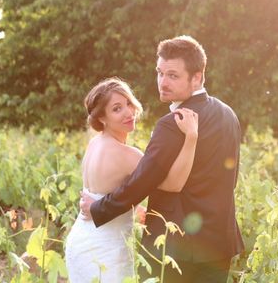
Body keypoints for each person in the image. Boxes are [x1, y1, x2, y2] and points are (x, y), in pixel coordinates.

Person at [80, 35, 244, 283]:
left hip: (173, 247)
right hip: (219, 243)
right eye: (160, 73)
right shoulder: (228, 115)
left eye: (173, 76)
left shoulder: (171, 124)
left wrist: (98, 208)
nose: (162, 82)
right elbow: (230, 179)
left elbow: (141, 182)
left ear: (197, 77)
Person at [65, 77, 198, 283]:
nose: (128, 112)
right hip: (104, 249)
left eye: (128, 103)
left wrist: (134, 208)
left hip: (80, 241)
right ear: (102, 119)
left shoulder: (95, 143)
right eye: (117, 109)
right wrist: (191, 138)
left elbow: (110, 189)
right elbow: (173, 184)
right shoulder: (127, 155)